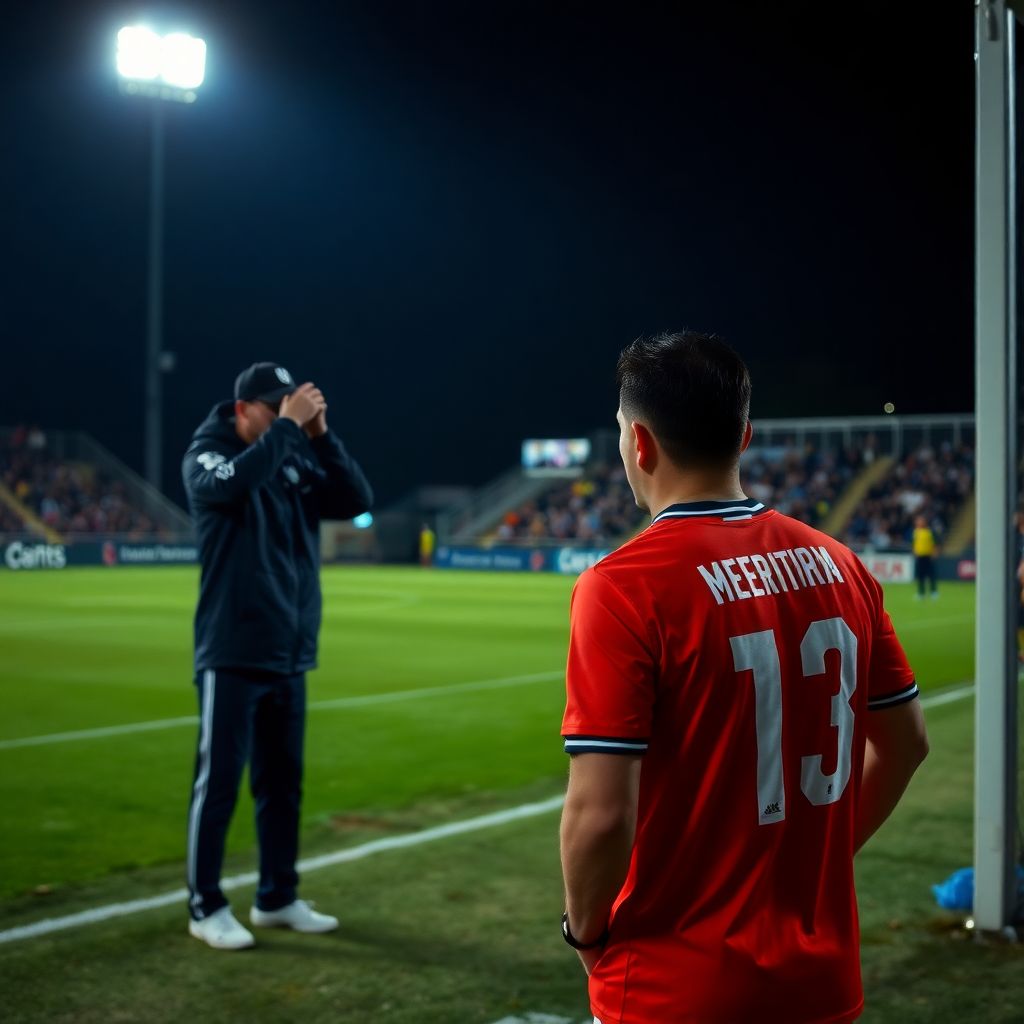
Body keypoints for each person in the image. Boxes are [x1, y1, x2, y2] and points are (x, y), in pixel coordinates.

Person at [559, 332, 929, 1024]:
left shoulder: (623, 586)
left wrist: (584, 934)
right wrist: (818, 860)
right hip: (821, 979)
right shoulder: (840, 563)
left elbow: (601, 815)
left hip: (679, 987)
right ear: (745, 436)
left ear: (639, 444)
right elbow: (907, 744)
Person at [182, 361, 373, 950]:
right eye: (275, 406)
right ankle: (205, 905)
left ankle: (276, 897)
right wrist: (290, 432)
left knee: (282, 785)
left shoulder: (289, 450)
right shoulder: (206, 456)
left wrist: (319, 435)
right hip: (233, 651)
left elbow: (355, 499)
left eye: (290, 404)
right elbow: (229, 486)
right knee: (218, 786)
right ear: (242, 410)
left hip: (288, 651)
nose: (285, 412)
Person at [912, 513, 938, 599]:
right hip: (920, 557)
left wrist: (934, 553)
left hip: (928, 556)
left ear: (925, 522)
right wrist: (915, 552)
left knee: (931, 575)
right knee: (920, 576)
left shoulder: (930, 532)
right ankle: (921, 593)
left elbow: (935, 544)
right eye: (918, 521)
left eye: (920, 521)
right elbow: (914, 544)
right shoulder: (915, 532)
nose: (918, 522)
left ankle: (934, 592)